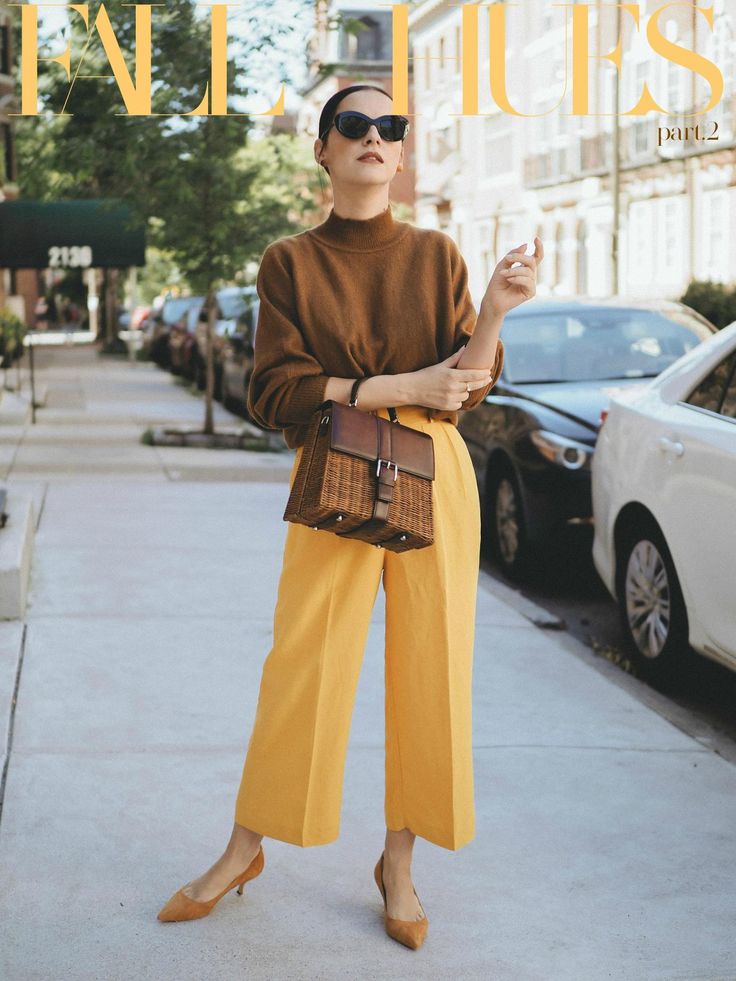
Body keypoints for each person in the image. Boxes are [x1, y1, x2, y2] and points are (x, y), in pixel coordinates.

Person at [157, 84, 543, 949]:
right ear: (324, 149)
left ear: (401, 155)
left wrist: (492, 312)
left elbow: (467, 389)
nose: (375, 136)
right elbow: (275, 391)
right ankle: (246, 847)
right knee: (306, 659)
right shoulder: (289, 262)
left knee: (433, 667)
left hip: (434, 467)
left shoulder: (437, 254)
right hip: (335, 466)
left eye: (390, 127)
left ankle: (398, 864)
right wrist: (398, 385)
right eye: (354, 125)